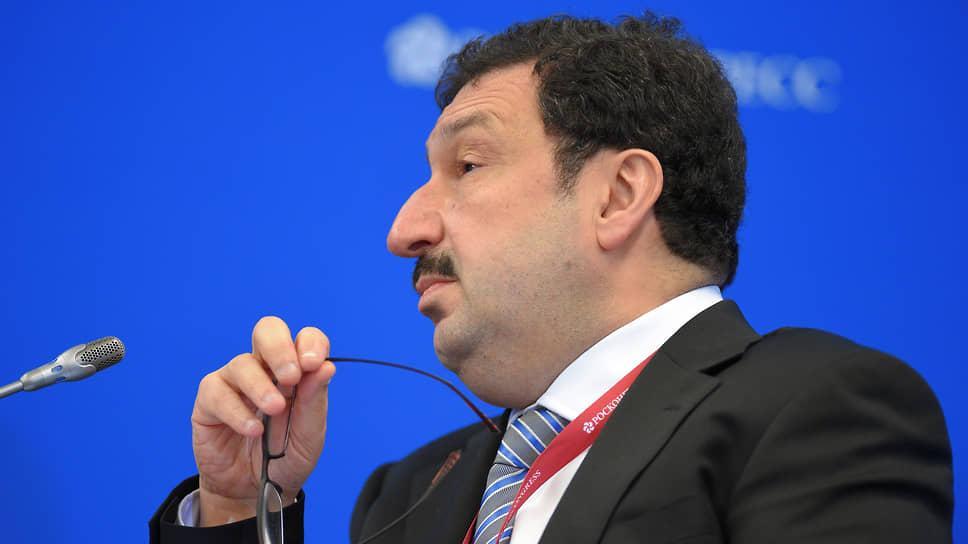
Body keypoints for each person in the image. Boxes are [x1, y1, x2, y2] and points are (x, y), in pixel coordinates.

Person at [150, 12, 954, 544]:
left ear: (619, 195)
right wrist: (239, 507)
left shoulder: (811, 410)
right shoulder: (406, 494)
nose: (404, 230)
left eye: (468, 165)